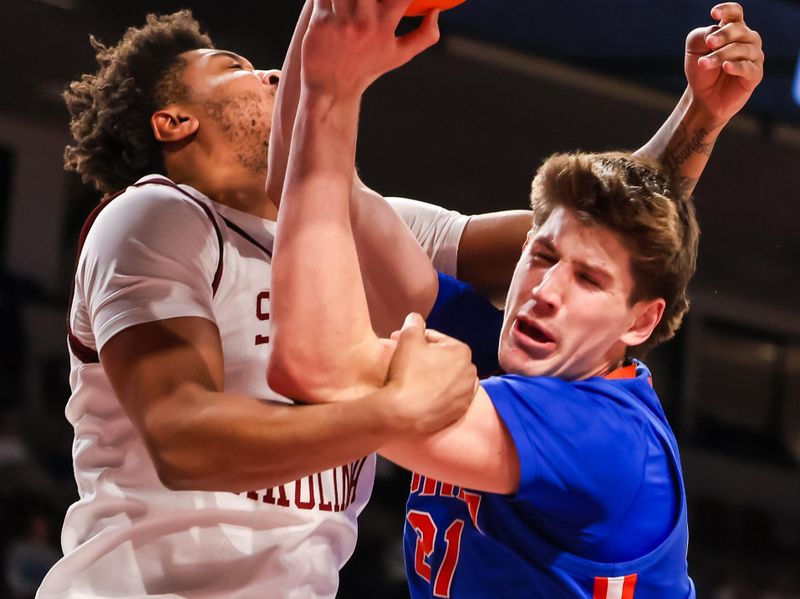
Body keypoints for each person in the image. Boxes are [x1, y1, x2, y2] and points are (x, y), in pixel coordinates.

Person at [38, 2, 760, 597]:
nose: (264, 74)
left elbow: (603, 236)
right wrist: (387, 413)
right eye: (233, 70)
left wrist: (698, 118)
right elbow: (183, 439)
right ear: (175, 121)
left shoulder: (373, 226)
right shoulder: (154, 218)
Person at [269, 1, 763, 597]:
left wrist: (333, 90)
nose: (546, 293)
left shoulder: (604, 439)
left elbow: (318, 370)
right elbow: (301, 180)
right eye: (545, 259)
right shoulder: (494, 348)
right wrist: (328, 19)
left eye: (589, 280)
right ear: (524, 247)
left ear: (641, 323)